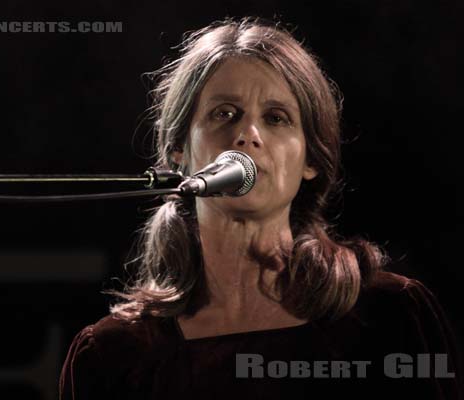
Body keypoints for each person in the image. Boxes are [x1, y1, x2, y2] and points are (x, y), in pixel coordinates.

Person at [59, 17, 463, 399]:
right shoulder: (113, 354)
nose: (247, 134)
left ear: (311, 160)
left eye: (276, 118)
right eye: (224, 114)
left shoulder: (388, 315)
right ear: (179, 149)